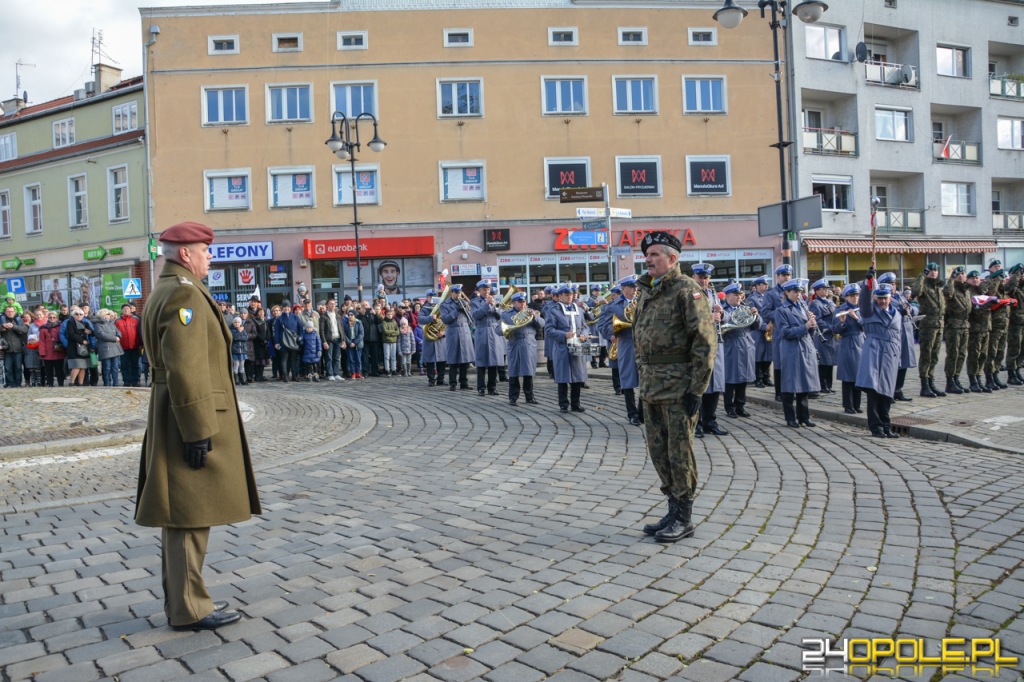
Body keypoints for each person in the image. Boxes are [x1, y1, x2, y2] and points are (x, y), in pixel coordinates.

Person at [136, 220, 260, 632]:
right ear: (185, 253)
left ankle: (186, 601)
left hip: (174, 411)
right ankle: (191, 608)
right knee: (189, 514)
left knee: (184, 514)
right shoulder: (181, 295)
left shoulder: (169, 289)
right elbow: (186, 369)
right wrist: (197, 428)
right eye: (205, 250)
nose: (210, 257)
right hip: (185, 414)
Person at [633, 232, 715, 543]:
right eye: (647, 254)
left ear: (673, 259)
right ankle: (672, 507)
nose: (649, 259)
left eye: (655, 254)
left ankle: (685, 517)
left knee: (680, 452)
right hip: (651, 386)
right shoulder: (648, 291)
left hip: (679, 388)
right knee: (659, 452)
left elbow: (705, 342)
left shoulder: (687, 291)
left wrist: (697, 389)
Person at [856, 276, 902, 438]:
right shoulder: (869, 311)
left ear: (891, 297)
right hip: (874, 353)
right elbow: (864, 300)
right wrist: (868, 281)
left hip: (890, 355)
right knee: (874, 392)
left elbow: (898, 336)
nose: (882, 301)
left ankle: (887, 426)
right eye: (880, 298)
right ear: (875, 297)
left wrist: (899, 357)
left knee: (887, 393)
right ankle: (876, 427)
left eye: (885, 298)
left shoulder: (896, 312)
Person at [776, 280, 819, 428]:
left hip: (806, 347)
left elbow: (810, 331)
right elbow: (785, 332)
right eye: (795, 292)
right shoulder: (782, 310)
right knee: (790, 385)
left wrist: (813, 325)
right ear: (787, 293)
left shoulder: (803, 306)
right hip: (791, 349)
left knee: (804, 383)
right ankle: (790, 418)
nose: (798, 295)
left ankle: (804, 416)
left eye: (800, 292)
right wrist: (805, 326)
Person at [690, 263, 727, 438]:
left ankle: (710, 421)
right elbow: (687, 318)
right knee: (700, 386)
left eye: (706, 277)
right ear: (693, 277)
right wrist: (708, 318)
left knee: (715, 384)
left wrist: (722, 313)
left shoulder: (712, 292)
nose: (703, 280)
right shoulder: (690, 293)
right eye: (700, 277)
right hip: (699, 345)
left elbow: (722, 315)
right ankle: (695, 424)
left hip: (715, 343)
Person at [544, 284, 590, 413]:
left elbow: (585, 326)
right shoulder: (553, 310)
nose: (569, 297)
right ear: (559, 297)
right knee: (563, 376)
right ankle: (563, 404)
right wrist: (563, 335)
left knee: (577, 376)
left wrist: (584, 335)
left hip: (577, 346)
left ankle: (576, 404)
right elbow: (548, 330)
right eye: (566, 295)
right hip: (562, 347)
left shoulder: (579, 310)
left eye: (571, 294)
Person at [601, 278, 640, 424]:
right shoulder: (613, 306)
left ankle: (642, 412)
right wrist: (614, 331)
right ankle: (632, 414)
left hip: (643, 345)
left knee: (646, 380)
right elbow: (603, 326)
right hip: (626, 343)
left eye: (635, 287)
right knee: (628, 380)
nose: (635, 289)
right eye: (631, 287)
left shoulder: (643, 301)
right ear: (623, 289)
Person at [720, 282, 756, 419]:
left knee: (743, 379)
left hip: (746, 345)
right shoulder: (723, 310)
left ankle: (740, 406)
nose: (739, 297)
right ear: (728, 296)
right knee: (730, 379)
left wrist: (756, 316)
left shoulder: (745, 308)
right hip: (731, 345)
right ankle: (729, 407)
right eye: (736, 295)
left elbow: (755, 326)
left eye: (740, 295)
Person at [879, 272, 916, 401]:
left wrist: (909, 309)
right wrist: (901, 310)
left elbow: (914, 309)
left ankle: (898, 389)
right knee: (893, 364)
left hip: (906, 334)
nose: (893, 286)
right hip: (895, 335)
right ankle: (889, 390)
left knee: (904, 363)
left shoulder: (900, 297)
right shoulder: (884, 299)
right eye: (890, 284)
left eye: (894, 284)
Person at [501, 292, 543, 406]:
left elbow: (542, 324)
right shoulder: (506, 314)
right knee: (513, 372)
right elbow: (498, 330)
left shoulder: (531, 312)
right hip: (515, 342)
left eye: (523, 302)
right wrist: (507, 329)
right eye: (519, 302)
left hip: (529, 343)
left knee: (528, 372)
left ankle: (529, 397)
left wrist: (535, 317)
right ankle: (513, 397)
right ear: (514, 303)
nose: (522, 304)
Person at [911, 262, 946, 397]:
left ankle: (931, 383)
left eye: (936, 270)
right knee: (926, 355)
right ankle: (924, 385)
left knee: (935, 356)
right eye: (930, 270)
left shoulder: (938, 287)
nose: (933, 272)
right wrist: (921, 276)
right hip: (928, 325)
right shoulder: (924, 285)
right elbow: (915, 292)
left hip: (939, 324)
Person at [761, 265, 792, 400]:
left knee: (791, 362)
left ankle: (791, 390)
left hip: (794, 332)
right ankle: (779, 393)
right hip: (780, 332)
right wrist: (782, 314)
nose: (786, 277)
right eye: (783, 274)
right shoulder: (771, 293)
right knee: (779, 362)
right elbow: (765, 312)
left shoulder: (794, 292)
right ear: (777, 276)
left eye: (788, 275)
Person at [834, 283, 865, 414]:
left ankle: (857, 404)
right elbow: (834, 329)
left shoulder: (863, 309)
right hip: (848, 343)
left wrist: (856, 318)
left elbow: (867, 326)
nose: (855, 298)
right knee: (848, 375)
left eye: (857, 295)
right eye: (852, 296)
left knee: (859, 375)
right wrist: (842, 321)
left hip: (861, 342)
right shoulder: (841, 309)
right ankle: (848, 405)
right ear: (846, 297)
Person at [471, 280, 503, 396]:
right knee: (481, 361)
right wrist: (486, 305)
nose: (486, 291)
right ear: (479, 291)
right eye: (484, 289)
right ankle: (481, 387)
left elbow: (501, 316)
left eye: (488, 289)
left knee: (493, 361)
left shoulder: (496, 301)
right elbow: (476, 315)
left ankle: (492, 387)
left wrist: (495, 306)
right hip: (482, 331)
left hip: (494, 331)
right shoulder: (475, 302)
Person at [942, 267, 970, 394]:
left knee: (962, 354)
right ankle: (950, 381)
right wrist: (951, 280)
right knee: (953, 354)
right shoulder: (951, 288)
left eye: (963, 273)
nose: (961, 276)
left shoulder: (966, 290)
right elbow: (948, 294)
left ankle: (956, 378)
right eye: (958, 274)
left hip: (965, 325)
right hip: (953, 325)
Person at [441, 284, 474, 390]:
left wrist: (466, 309)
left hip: (464, 332)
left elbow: (471, 317)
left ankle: (464, 383)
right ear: (452, 293)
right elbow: (445, 319)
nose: (458, 295)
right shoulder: (445, 304)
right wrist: (456, 311)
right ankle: (453, 383)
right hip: (453, 332)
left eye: (459, 293)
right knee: (453, 359)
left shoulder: (464, 302)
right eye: (456, 293)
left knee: (465, 359)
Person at [808, 279, 838, 395]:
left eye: (827, 288)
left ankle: (829, 385)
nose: (826, 290)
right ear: (817, 291)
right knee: (823, 361)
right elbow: (818, 320)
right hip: (823, 335)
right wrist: (831, 327)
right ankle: (822, 385)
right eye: (824, 289)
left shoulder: (830, 302)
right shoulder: (815, 303)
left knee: (830, 362)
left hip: (831, 335)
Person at [965, 271, 993, 393]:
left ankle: (979, 378)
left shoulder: (982, 291)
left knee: (983, 355)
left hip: (986, 327)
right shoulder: (968, 293)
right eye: (972, 278)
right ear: (968, 280)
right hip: (974, 328)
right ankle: (973, 381)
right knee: (974, 355)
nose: (976, 280)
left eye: (977, 278)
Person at [985, 268, 1010, 390]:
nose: (1004, 280)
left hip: (1004, 326)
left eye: (1004, 278)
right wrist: (996, 281)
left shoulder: (1004, 292)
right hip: (994, 326)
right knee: (992, 353)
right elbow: (991, 293)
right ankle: (989, 378)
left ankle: (995, 375)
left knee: (1000, 352)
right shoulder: (993, 290)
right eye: (1002, 278)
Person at [418, 290, 448, 387]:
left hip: (440, 337)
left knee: (442, 360)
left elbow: (447, 321)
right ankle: (431, 380)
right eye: (430, 296)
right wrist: (431, 318)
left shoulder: (442, 307)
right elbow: (420, 319)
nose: (432, 298)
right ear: (427, 297)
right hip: (429, 337)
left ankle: (440, 379)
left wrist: (444, 332)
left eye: (434, 296)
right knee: (430, 360)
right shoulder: (425, 308)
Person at [748, 276, 772, 388]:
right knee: (759, 355)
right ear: (757, 286)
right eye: (763, 284)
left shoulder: (769, 296)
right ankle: (758, 378)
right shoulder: (752, 299)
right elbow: (754, 315)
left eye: (766, 284)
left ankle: (767, 377)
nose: (766, 286)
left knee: (768, 354)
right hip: (758, 330)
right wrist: (763, 326)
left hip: (770, 329)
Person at [93, 308, 123, 387]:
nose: (110, 316)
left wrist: (119, 336)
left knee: (115, 367)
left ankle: (116, 383)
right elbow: (101, 335)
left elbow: (118, 331)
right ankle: (107, 383)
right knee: (107, 367)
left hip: (115, 348)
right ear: (103, 315)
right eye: (108, 314)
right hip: (105, 348)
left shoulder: (111, 323)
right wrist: (114, 338)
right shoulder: (98, 324)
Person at [273, 301, 302, 381]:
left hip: (293, 341)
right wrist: (277, 342)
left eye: (288, 307)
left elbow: (300, 328)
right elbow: (276, 331)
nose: (287, 308)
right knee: (284, 359)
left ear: (290, 308)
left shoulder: (295, 317)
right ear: (282, 308)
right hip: (283, 342)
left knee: (293, 360)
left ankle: (294, 376)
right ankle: (285, 376)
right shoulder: (279, 319)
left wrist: (300, 337)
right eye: (285, 307)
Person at [116, 304, 143, 387]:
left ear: (131, 310)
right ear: (121, 310)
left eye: (128, 308)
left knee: (135, 364)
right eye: (124, 309)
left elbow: (140, 332)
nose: (126, 310)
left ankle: (136, 380)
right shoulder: (117, 321)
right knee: (124, 365)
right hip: (123, 347)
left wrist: (141, 344)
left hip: (135, 346)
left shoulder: (136, 319)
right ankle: (126, 381)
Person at [1006, 265, 1024, 385]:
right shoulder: (1012, 287)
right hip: (1015, 322)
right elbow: (1009, 289)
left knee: (1022, 349)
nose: (1021, 275)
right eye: (1019, 273)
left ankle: (1017, 370)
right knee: (1014, 348)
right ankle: (1011, 373)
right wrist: (1016, 276)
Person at [64, 306, 91, 387]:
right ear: (73, 315)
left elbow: (92, 332)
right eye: (77, 314)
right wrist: (82, 340)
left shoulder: (85, 323)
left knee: (83, 367)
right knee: (76, 366)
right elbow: (71, 334)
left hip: (84, 348)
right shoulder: (70, 322)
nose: (79, 315)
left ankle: (81, 383)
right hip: (74, 347)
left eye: (81, 314)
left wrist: (89, 332)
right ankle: (72, 382)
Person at [39, 311, 67, 387]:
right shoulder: (43, 328)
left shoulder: (61, 326)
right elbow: (41, 341)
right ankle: (50, 384)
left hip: (59, 351)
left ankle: (61, 383)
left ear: (57, 318)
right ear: (48, 318)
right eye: (50, 317)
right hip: (48, 352)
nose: (52, 319)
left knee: (59, 369)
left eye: (54, 317)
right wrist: (42, 352)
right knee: (49, 370)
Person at [319, 299, 344, 381]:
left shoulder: (338, 315)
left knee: (336, 358)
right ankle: (330, 374)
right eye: (331, 304)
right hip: (329, 340)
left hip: (338, 338)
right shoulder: (324, 316)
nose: (333, 305)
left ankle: (336, 373)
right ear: (327, 305)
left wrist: (343, 340)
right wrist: (324, 341)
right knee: (329, 358)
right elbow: (321, 330)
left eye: (334, 304)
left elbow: (341, 328)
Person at [343, 310, 365, 378]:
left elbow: (361, 334)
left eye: (352, 315)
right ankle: (353, 372)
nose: (350, 316)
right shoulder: (346, 323)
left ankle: (358, 372)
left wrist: (355, 342)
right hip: (349, 343)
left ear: (355, 316)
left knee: (358, 358)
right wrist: (349, 342)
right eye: (349, 315)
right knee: (351, 359)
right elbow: (344, 334)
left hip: (357, 343)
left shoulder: (359, 322)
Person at [230, 317, 249, 385]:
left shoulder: (243, 330)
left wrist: (240, 335)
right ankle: (236, 379)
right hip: (235, 350)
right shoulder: (232, 330)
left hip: (243, 350)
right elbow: (235, 337)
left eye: (238, 322)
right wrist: (239, 332)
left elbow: (246, 338)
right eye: (235, 322)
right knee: (236, 365)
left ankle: (243, 379)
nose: (237, 323)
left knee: (242, 365)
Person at [381, 307, 399, 377]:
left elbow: (398, 331)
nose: (389, 315)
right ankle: (387, 370)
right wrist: (393, 332)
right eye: (388, 314)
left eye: (391, 314)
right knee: (387, 356)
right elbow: (385, 331)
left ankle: (394, 369)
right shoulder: (384, 322)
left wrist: (390, 333)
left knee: (393, 356)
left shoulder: (394, 321)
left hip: (394, 341)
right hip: (386, 341)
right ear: (385, 315)